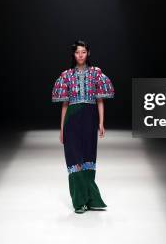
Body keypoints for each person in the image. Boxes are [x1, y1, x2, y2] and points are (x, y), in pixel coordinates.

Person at [51, 40, 115, 213]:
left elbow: (100, 100)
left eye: (84, 52)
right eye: (77, 52)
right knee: (74, 160)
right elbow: (64, 104)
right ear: (73, 54)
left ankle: (91, 199)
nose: (80, 55)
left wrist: (101, 122)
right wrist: (62, 129)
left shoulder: (96, 74)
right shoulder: (66, 76)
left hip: (90, 119)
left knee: (88, 159)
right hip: (72, 119)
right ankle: (79, 202)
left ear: (88, 53)